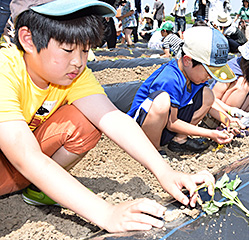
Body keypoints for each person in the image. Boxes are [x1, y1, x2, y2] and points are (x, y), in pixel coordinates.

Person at [1, 0, 215, 233]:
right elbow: (26, 156)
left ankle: (38, 189)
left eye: (85, 50)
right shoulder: (6, 72)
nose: (79, 62)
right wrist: (106, 213)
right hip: (15, 162)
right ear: (28, 40)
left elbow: (114, 118)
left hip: (19, 163)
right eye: (68, 49)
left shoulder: (72, 74)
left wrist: (166, 172)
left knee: (85, 122)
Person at [127, 26, 236, 153]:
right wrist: (210, 133)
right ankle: (153, 151)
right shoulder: (170, 79)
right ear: (187, 61)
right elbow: (172, 123)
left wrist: (228, 121)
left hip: (165, 128)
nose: (209, 77)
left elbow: (210, 105)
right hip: (140, 132)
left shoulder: (193, 77)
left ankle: (179, 140)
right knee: (162, 101)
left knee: (207, 94)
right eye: (208, 71)